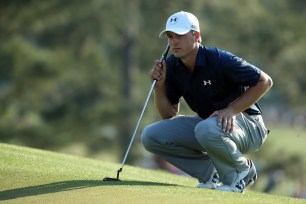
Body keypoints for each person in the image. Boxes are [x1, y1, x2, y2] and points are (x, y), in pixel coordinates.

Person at [140, 11, 273, 193]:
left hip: (249, 126)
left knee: (206, 128)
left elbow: (265, 81)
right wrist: (159, 86)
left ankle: (241, 171)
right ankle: (212, 174)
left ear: (196, 36)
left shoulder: (219, 59)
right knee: (151, 136)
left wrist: (231, 110)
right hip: (210, 128)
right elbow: (168, 114)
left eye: (179, 35)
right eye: (170, 37)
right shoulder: (172, 66)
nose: (173, 41)